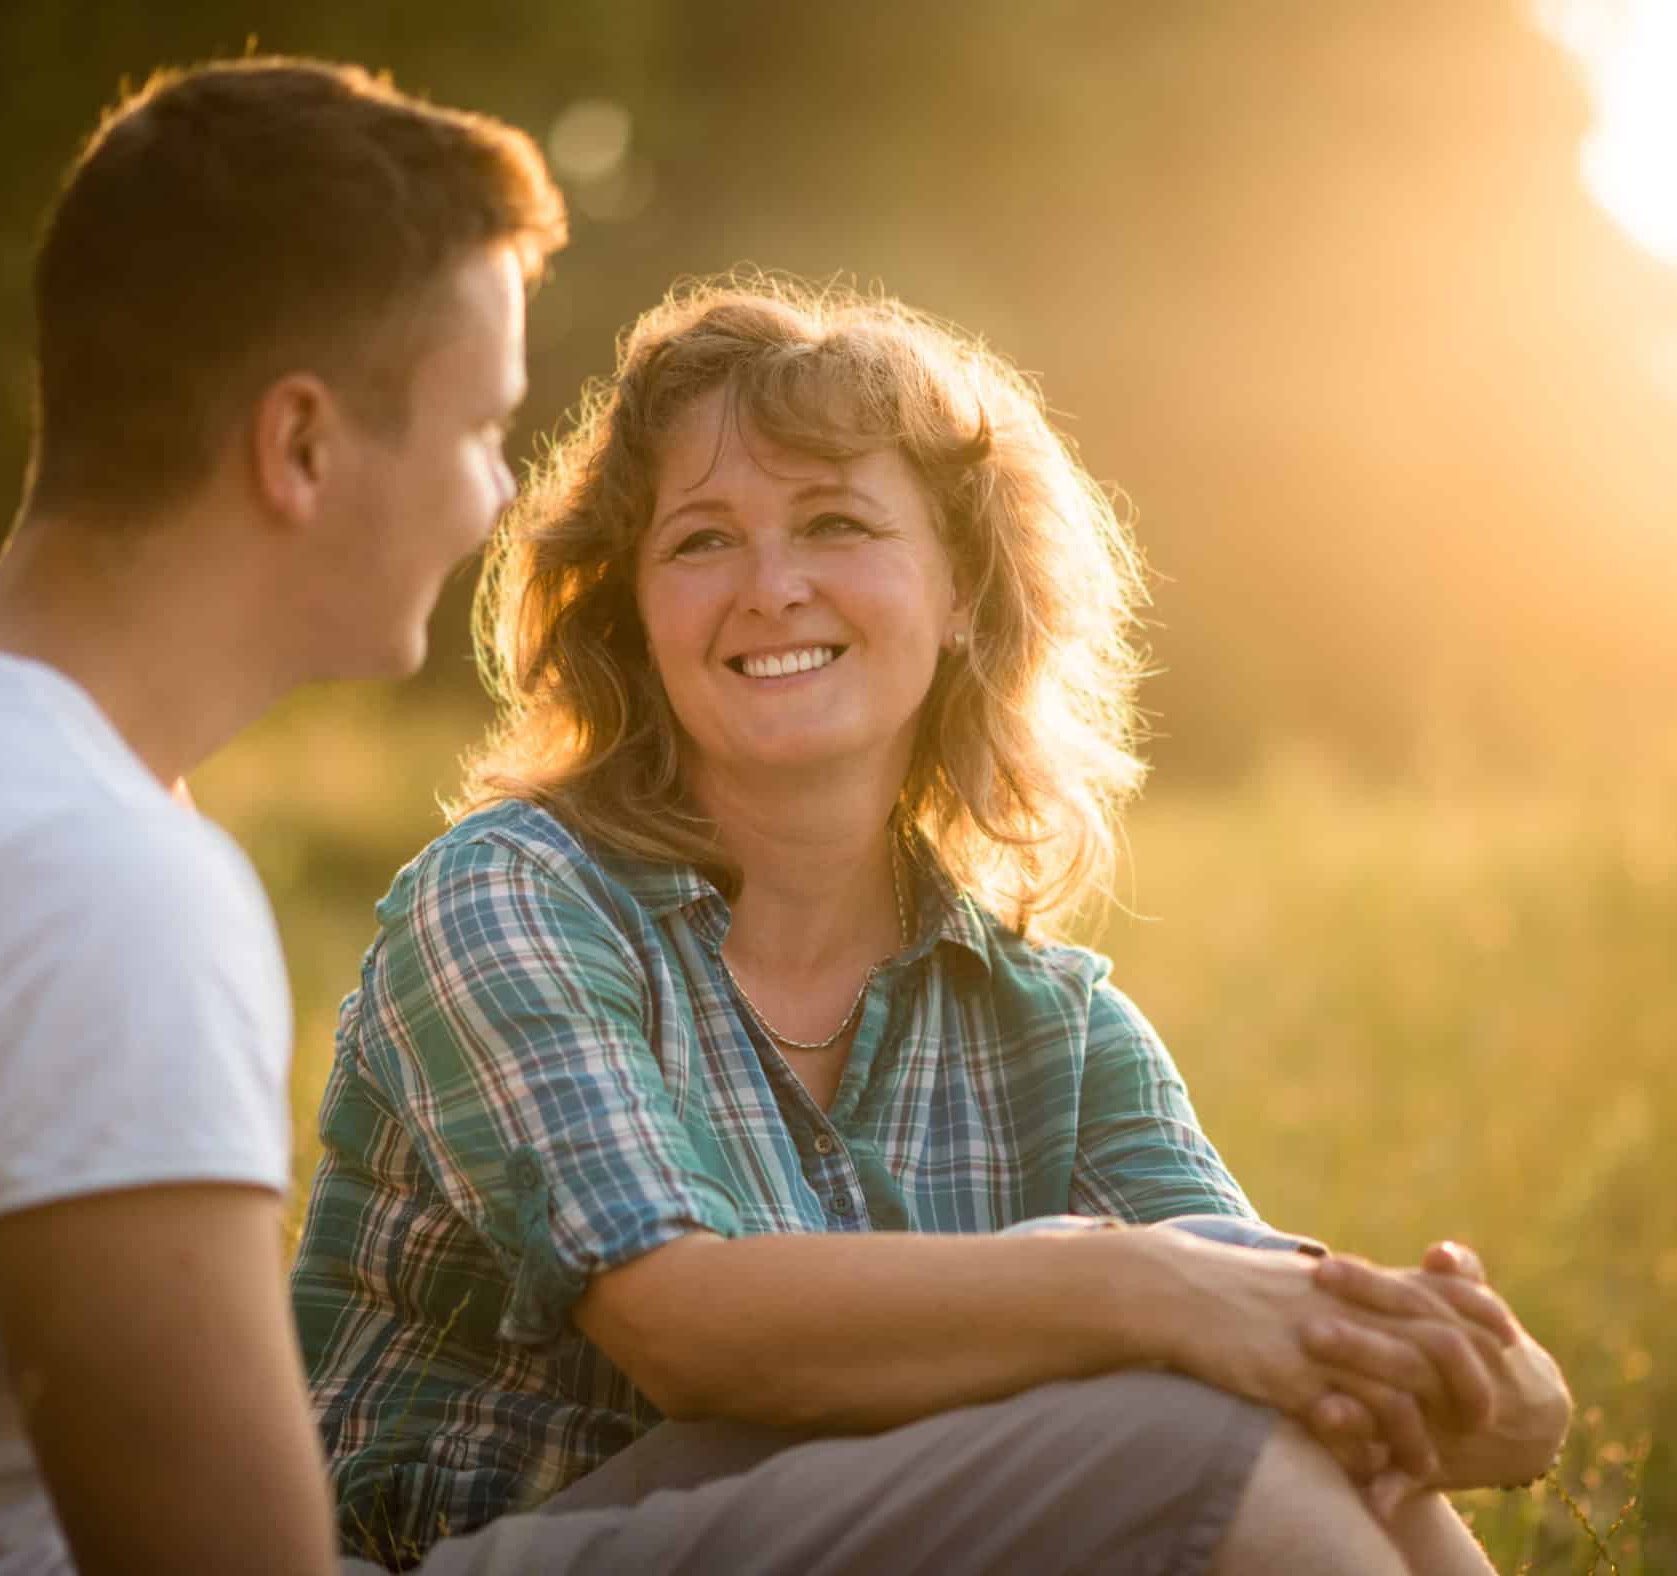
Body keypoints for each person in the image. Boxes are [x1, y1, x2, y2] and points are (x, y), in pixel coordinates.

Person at [290, 279, 1570, 1575]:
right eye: (700, 542)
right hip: (469, 1554)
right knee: (1189, 1435)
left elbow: (1295, 1350)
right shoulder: (514, 892)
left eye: (834, 521)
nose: (772, 586)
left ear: (963, 590)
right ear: (636, 614)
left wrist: (1491, 1382)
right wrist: (1129, 1287)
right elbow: (692, 1332)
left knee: (1231, 1408)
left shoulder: (1055, 1026)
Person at [0, 58, 564, 1574]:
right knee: (1129, 1465)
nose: (496, 498)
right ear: (302, 447)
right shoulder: (92, 878)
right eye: (481, 431)